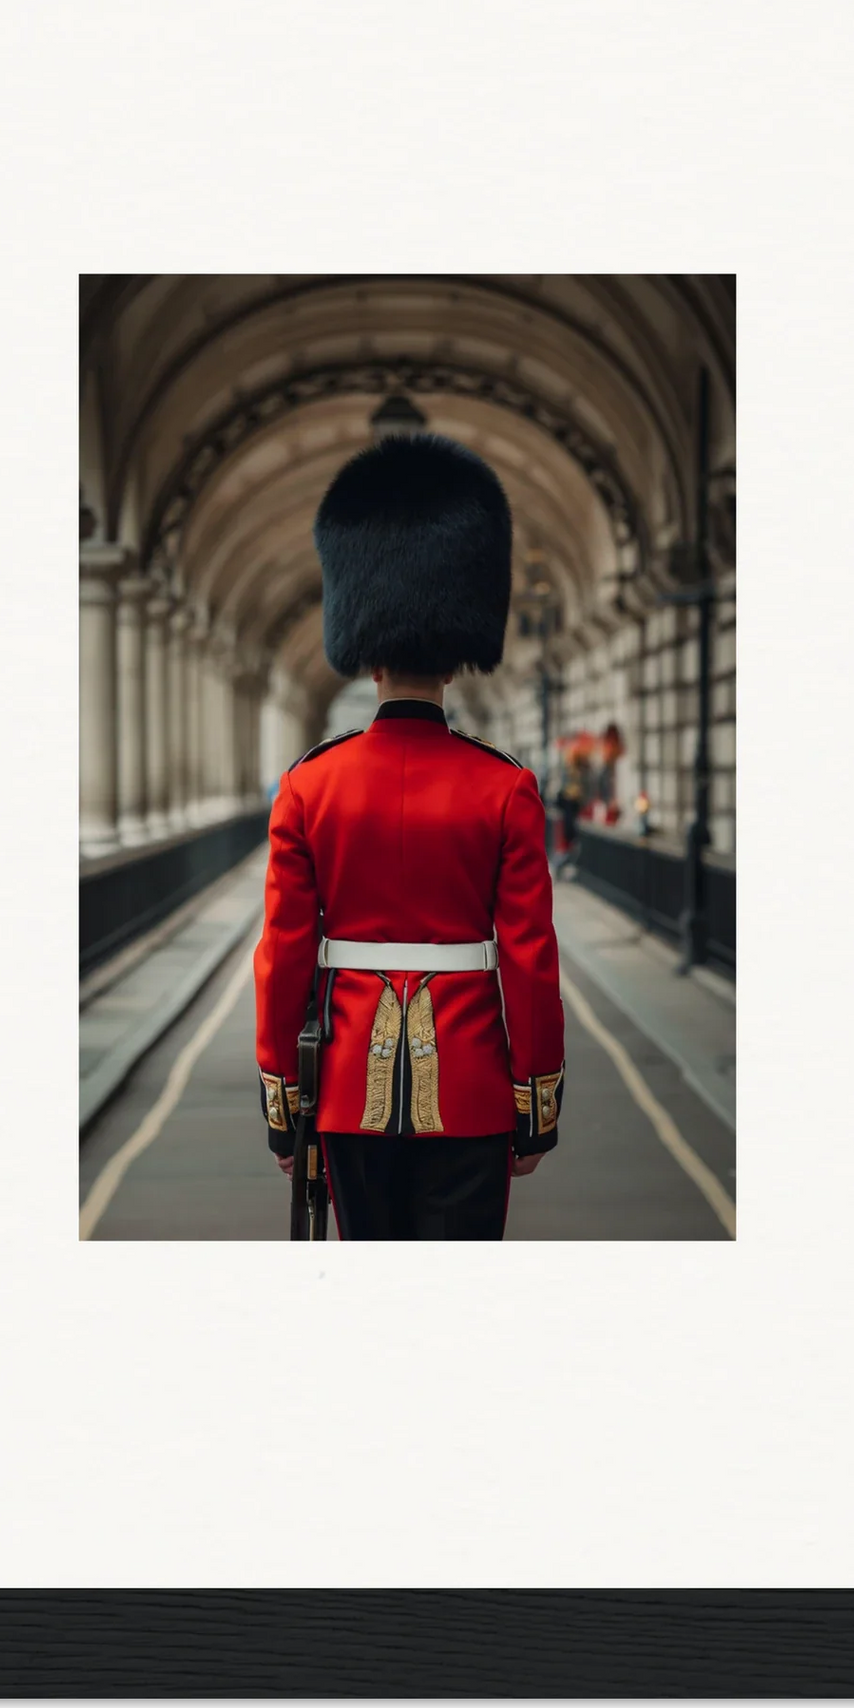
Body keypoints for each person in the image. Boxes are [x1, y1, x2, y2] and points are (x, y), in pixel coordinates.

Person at [253, 430, 566, 1239]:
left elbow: (283, 955)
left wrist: (286, 1100)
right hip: (470, 1091)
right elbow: (530, 960)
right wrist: (535, 1100)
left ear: (363, 658)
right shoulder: (506, 787)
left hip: (346, 1091)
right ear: (460, 656)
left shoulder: (308, 785)